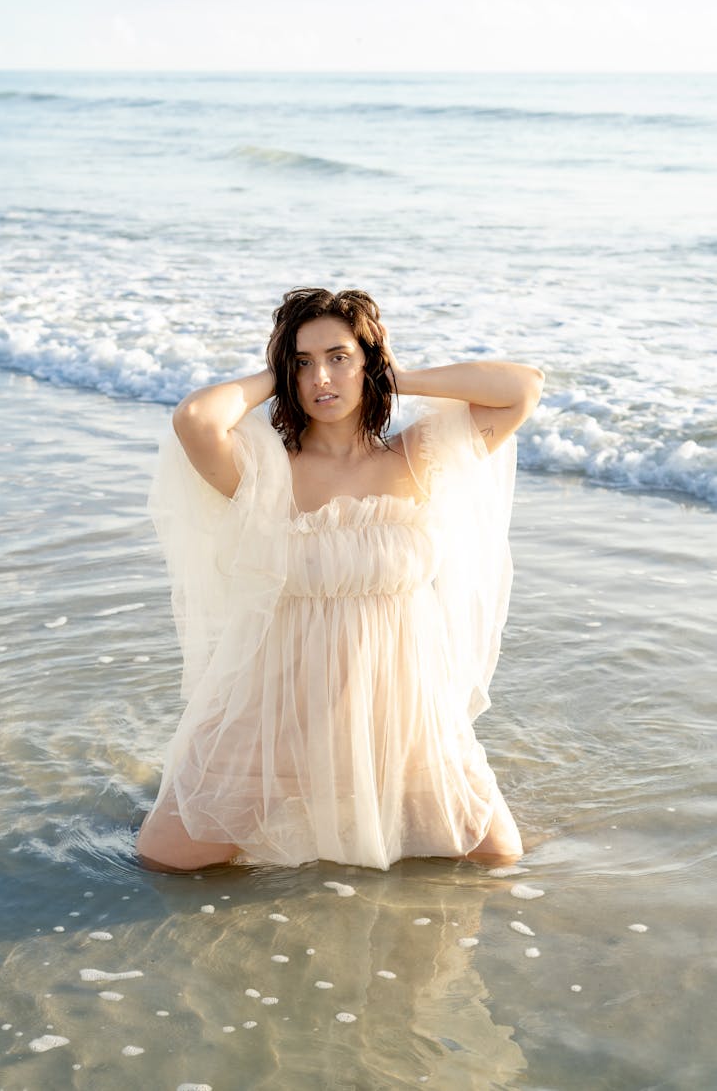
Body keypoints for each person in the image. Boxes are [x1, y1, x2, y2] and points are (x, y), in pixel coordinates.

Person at [136, 288, 544, 872]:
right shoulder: (266, 472)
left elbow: (522, 387)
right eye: (302, 363)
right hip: (280, 707)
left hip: (402, 707)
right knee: (167, 861)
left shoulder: (415, 459)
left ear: (368, 361)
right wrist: (275, 372)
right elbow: (196, 418)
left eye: (338, 357)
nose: (320, 377)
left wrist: (396, 376)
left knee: (498, 858)